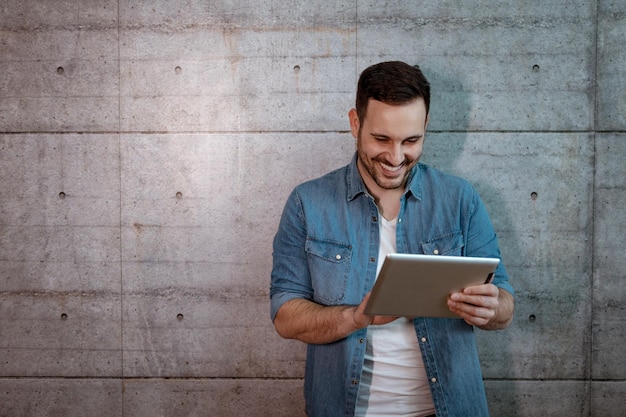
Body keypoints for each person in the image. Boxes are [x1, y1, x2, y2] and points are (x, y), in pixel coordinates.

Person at [270, 61, 514, 417]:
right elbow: (285, 316)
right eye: (381, 139)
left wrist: (491, 308)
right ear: (355, 123)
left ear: (426, 126)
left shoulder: (460, 199)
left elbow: (505, 306)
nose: (396, 157)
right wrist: (357, 316)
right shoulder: (307, 203)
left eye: (411, 140)